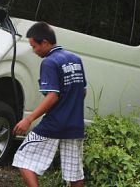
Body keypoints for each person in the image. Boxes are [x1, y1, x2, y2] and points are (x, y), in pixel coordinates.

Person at [12, 22, 86, 187]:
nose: (34, 51)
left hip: (54, 124)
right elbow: (83, 91)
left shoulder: (50, 62)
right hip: (75, 126)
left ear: (45, 42)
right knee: (74, 173)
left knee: (23, 159)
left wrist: (28, 119)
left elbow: (52, 96)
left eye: (34, 46)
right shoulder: (75, 59)